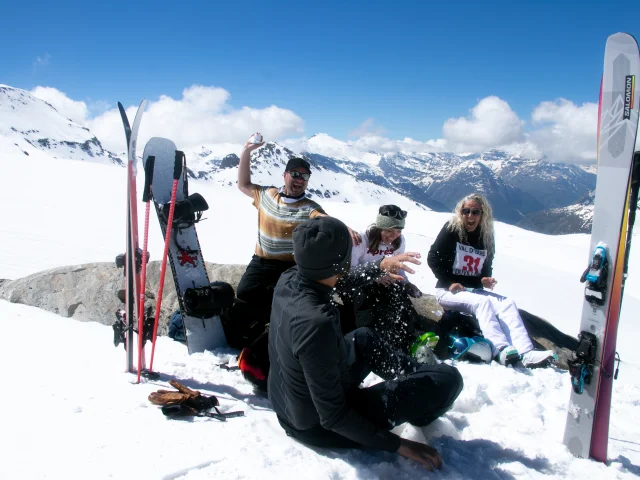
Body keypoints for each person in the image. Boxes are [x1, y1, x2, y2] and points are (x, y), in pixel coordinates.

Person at [268, 216, 463, 471]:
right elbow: (333, 416)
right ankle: (426, 396)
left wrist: (380, 264)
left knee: (363, 337)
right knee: (450, 378)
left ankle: (421, 377)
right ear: (341, 261)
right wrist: (400, 445)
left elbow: (338, 279)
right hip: (318, 426)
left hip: (289, 403)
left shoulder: (291, 278)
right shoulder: (317, 323)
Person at [427, 193, 557, 368]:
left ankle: (525, 352)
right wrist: (449, 281)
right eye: (466, 211)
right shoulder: (452, 229)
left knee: (508, 303)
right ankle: (500, 349)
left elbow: (486, 267)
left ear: (483, 214)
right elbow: (432, 257)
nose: (470, 216)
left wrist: (485, 280)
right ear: (460, 212)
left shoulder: (486, 236)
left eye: (475, 212)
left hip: (472, 291)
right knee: (482, 303)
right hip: (447, 291)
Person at [232, 133, 327, 342]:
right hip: (261, 261)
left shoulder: (309, 207)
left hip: (290, 266)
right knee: (245, 291)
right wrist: (246, 151)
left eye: (304, 176)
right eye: (295, 174)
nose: (299, 180)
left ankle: (270, 329)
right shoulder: (267, 194)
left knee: (285, 298)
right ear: (285, 175)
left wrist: (344, 229)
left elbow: (323, 220)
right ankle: (263, 324)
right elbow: (243, 184)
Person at [340, 205, 426, 351]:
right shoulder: (362, 239)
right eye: (389, 231)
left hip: (380, 282)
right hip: (357, 285)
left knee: (398, 292)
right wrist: (376, 277)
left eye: (398, 231)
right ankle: (369, 341)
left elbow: (395, 267)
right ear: (380, 227)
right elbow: (349, 272)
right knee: (367, 297)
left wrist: (405, 283)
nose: (394, 235)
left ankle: (412, 335)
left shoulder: (399, 241)